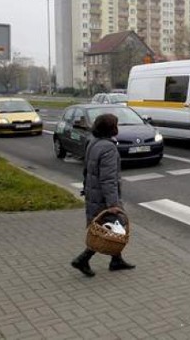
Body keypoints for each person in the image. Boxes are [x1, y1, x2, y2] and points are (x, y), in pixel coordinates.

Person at [71, 113, 135, 277]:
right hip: (103, 197)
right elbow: (108, 179)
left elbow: (87, 170)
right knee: (112, 228)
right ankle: (83, 259)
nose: (117, 127)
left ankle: (116, 260)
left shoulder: (93, 142)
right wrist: (113, 204)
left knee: (108, 227)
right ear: (111, 129)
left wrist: (87, 189)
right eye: (116, 125)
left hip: (94, 193)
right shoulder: (108, 148)